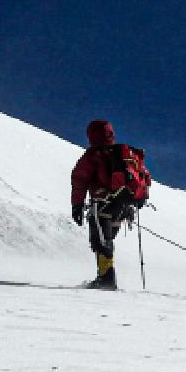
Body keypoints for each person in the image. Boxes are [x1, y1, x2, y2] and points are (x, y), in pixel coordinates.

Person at [70, 120, 151, 290]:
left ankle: (106, 279)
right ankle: (105, 276)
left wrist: (77, 205)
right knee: (106, 240)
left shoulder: (93, 155)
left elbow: (79, 179)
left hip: (103, 204)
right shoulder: (126, 154)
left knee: (100, 240)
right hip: (123, 207)